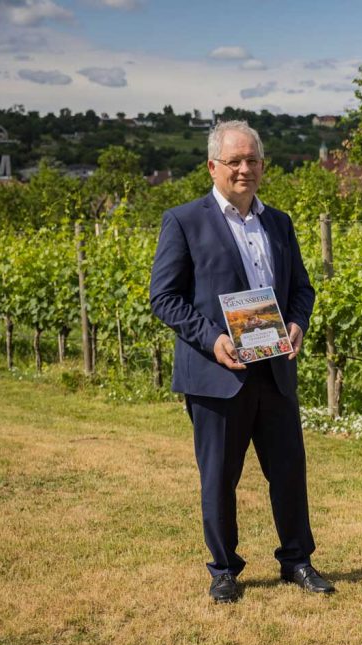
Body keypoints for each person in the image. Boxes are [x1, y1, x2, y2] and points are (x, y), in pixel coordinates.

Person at [150, 120, 334, 602]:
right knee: (219, 477)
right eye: (234, 161)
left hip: (274, 369)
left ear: (262, 166)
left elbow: (302, 289)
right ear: (213, 166)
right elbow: (164, 298)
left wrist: (297, 324)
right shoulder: (184, 220)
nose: (244, 169)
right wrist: (212, 340)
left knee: (289, 470)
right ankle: (224, 569)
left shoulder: (279, 222)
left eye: (252, 160)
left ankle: (297, 561)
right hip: (216, 374)